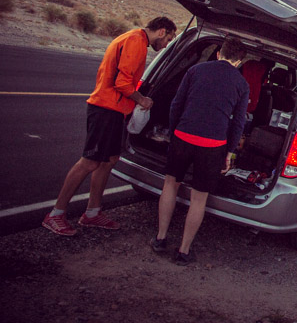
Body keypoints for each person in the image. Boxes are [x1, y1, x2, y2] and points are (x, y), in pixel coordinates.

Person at [43, 16, 178, 236]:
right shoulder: (136, 42)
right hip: (105, 109)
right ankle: (56, 214)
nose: (166, 45)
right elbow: (122, 84)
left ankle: (93, 212)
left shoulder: (135, 39)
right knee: (89, 161)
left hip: (115, 111)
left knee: (109, 160)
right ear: (161, 31)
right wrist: (141, 100)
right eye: (169, 39)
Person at [152, 37, 249, 265]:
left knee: (170, 185)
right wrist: (229, 152)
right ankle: (184, 251)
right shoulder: (242, 84)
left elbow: (177, 104)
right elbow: (238, 124)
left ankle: (160, 238)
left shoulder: (196, 70)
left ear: (219, 53)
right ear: (239, 61)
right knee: (198, 199)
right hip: (213, 146)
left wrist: (175, 132)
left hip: (183, 137)